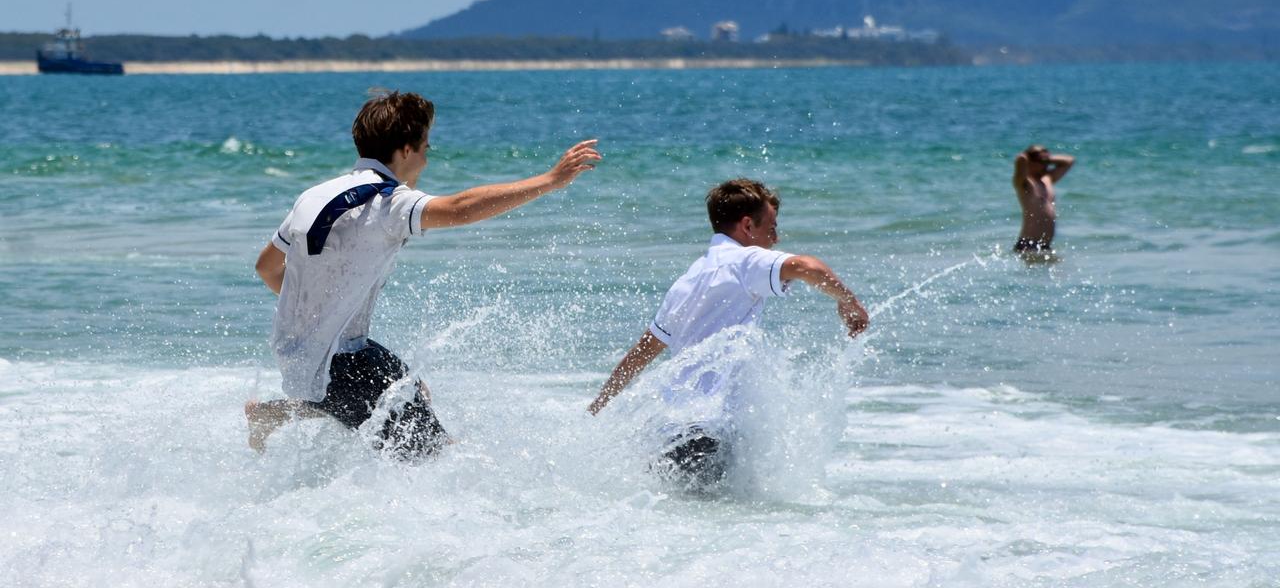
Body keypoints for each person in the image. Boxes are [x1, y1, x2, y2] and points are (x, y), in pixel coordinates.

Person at [246, 90, 601, 459]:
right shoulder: (387, 201)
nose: (426, 161)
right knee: (432, 456)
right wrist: (550, 180)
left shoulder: (314, 194)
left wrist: (318, 312)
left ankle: (272, 414)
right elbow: (461, 209)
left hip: (307, 350)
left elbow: (267, 267)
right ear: (405, 150)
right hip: (341, 364)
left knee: (414, 390)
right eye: (426, 149)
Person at [587, 178, 869, 487]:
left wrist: (598, 407)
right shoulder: (745, 262)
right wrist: (850, 303)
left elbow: (641, 354)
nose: (775, 238)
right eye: (772, 227)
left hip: (669, 432)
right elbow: (806, 267)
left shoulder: (688, 279)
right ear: (747, 225)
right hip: (709, 433)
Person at [1012, 144, 1075, 255]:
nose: (1045, 165)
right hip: (1028, 245)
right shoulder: (1025, 183)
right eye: (1041, 161)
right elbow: (1020, 160)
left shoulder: (1047, 179)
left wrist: (1046, 159)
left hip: (1045, 246)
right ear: (1030, 162)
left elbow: (1069, 161)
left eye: (1047, 163)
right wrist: (1029, 157)